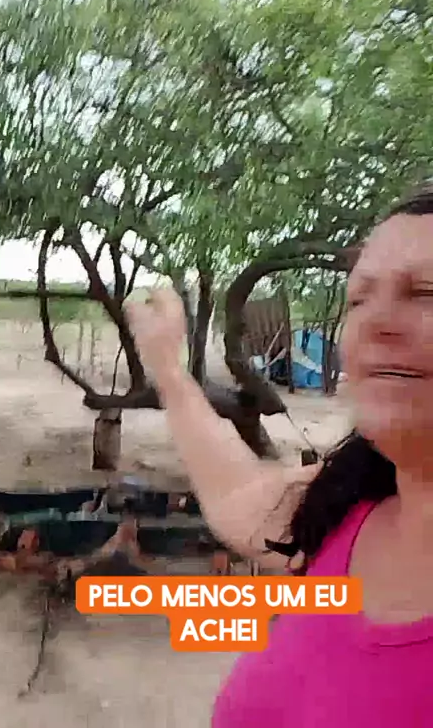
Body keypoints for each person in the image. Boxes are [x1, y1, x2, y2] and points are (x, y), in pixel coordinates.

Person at [126, 182, 433, 726]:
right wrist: (168, 370)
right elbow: (239, 498)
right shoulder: (353, 508)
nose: (374, 323)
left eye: (427, 292)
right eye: (359, 298)